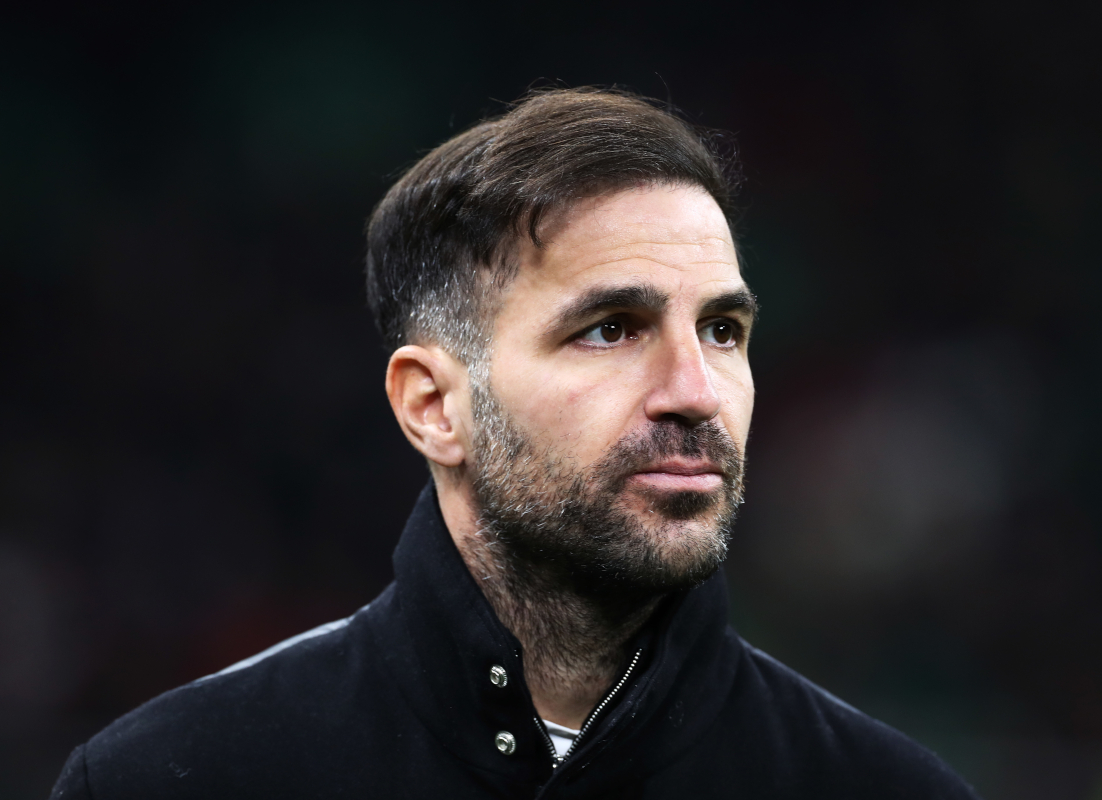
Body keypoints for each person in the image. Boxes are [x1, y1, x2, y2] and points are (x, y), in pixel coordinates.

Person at [51, 88, 980, 799]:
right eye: (612, 328)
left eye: (723, 330)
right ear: (433, 407)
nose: (695, 392)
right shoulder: (175, 780)